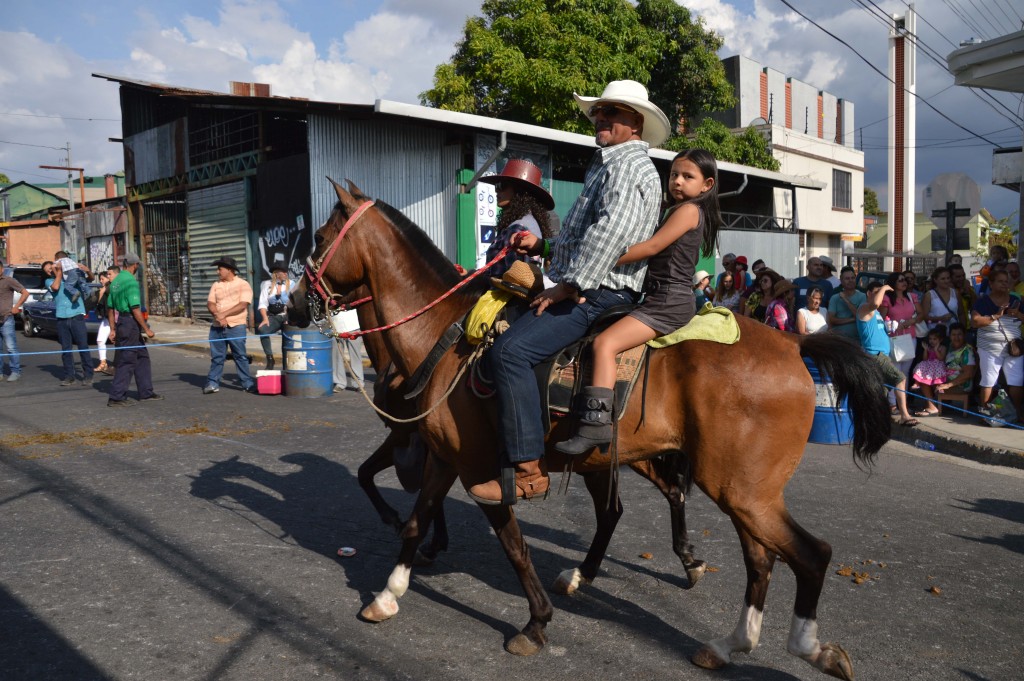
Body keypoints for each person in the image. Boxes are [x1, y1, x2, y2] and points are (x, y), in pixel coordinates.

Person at [468, 79, 670, 504]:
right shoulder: (611, 162)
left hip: (599, 292)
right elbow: (583, 237)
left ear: (635, 122)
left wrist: (569, 285)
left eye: (611, 112)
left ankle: (528, 472)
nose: (600, 118)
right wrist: (543, 246)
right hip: (593, 283)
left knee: (509, 352)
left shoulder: (626, 166)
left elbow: (609, 234)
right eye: (598, 111)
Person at [554, 148, 720, 456]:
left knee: (605, 344)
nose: (677, 181)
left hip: (668, 302)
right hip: (661, 297)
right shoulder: (681, 210)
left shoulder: (688, 211)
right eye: (674, 174)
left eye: (688, 176)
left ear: (706, 185)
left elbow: (652, 246)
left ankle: (595, 426)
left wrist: (602, 257)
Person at [479, 158, 555, 277]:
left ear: (520, 191)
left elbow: (516, 280)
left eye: (502, 186)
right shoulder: (526, 222)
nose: (497, 191)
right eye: (496, 186)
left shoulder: (518, 229)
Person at [857, 281, 917, 427]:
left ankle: (876, 419)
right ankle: (904, 415)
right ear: (869, 294)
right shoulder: (865, 307)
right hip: (875, 354)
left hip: (882, 354)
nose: (881, 295)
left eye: (882, 293)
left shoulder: (876, 313)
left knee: (882, 389)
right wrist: (884, 287)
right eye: (877, 292)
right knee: (900, 378)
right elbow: (875, 304)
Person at [106, 253, 161, 406]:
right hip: (130, 323)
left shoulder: (116, 281)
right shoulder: (131, 282)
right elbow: (135, 309)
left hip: (122, 322)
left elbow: (110, 308)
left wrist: (112, 329)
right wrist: (146, 329)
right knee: (127, 360)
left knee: (142, 357)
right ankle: (116, 396)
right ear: (135, 265)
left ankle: (146, 392)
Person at [970, 270, 1023, 419]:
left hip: (1014, 348)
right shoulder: (983, 301)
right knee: (988, 381)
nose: (1004, 284)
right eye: (1000, 281)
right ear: (991, 284)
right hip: (989, 348)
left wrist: (1018, 314)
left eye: (1006, 281)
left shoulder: (1015, 300)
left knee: (1016, 381)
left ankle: (1018, 413)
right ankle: (985, 413)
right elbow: (975, 321)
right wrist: (996, 316)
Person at [203, 255, 255, 394]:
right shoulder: (216, 285)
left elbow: (243, 304)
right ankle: (212, 383)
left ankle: (247, 383)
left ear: (229, 270)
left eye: (220, 269)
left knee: (240, 356)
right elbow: (210, 303)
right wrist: (217, 315)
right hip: (217, 327)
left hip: (236, 326)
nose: (217, 272)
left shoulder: (243, 284)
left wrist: (223, 315)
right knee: (217, 357)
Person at [879, 271, 922, 411]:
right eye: (900, 280)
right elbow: (881, 318)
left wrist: (912, 321)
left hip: (910, 337)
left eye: (905, 280)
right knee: (895, 372)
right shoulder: (886, 299)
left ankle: (903, 403)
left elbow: (921, 314)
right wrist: (892, 324)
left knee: (905, 372)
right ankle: (892, 403)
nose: (904, 282)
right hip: (894, 338)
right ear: (893, 283)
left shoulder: (912, 296)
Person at [49, 258, 95, 386]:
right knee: (66, 349)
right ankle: (69, 376)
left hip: (76, 315)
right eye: (52, 269)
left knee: (83, 346)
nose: (52, 270)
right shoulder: (50, 281)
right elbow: (55, 287)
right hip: (62, 317)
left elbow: (89, 279)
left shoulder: (73, 277)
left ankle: (88, 375)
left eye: (55, 267)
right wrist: (59, 273)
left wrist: (87, 271)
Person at [257, 259, 296, 371]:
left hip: (287, 315)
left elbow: (294, 303)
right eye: (282, 271)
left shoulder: (292, 284)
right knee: (263, 330)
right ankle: (270, 359)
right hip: (274, 316)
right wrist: (265, 318)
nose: (285, 273)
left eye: (286, 271)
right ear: (276, 273)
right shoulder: (267, 285)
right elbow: (262, 303)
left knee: (287, 339)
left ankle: (286, 365)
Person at [929, 323, 976, 409]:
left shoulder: (967, 351)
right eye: (953, 335)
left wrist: (948, 385)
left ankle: (932, 407)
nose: (956, 338)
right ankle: (937, 405)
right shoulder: (950, 346)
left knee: (928, 382)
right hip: (947, 380)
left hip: (961, 385)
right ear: (950, 336)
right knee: (924, 377)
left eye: (959, 334)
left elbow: (968, 374)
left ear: (964, 335)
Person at [0, 258, 30, 382]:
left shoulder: (8, 280)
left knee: (11, 347)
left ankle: (15, 371)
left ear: (2, 269)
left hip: (6, 318)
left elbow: (25, 293)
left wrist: (16, 307)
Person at [910, 327, 948, 416]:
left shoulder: (942, 348)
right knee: (921, 365)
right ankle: (917, 382)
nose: (932, 341)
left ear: (940, 340)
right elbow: (925, 358)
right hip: (929, 365)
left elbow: (941, 358)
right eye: (930, 339)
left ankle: (939, 386)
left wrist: (936, 349)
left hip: (937, 365)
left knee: (938, 371)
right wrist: (925, 350)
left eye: (934, 339)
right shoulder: (929, 348)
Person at [827, 266, 866, 342]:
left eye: (852, 278)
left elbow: (860, 316)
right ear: (841, 281)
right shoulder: (834, 298)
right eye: (847, 278)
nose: (850, 280)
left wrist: (846, 300)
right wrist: (853, 319)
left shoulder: (863, 296)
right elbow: (832, 320)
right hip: (839, 339)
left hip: (857, 340)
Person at [920, 266, 960, 335]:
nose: (946, 281)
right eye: (943, 279)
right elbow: (923, 317)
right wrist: (940, 319)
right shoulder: (929, 295)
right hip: (936, 334)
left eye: (948, 278)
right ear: (935, 280)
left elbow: (961, 313)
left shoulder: (955, 293)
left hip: (953, 333)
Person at [949, 263, 978, 342]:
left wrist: (969, 291)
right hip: (951, 331)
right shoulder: (947, 292)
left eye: (963, 276)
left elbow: (976, 307)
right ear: (950, 278)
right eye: (958, 277)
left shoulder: (968, 288)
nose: (961, 278)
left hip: (967, 329)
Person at [94, 270, 114, 375]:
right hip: (106, 319)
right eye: (100, 279)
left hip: (116, 318)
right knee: (100, 340)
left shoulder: (111, 288)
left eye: (103, 279)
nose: (101, 281)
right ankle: (103, 363)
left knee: (119, 342)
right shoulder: (102, 290)